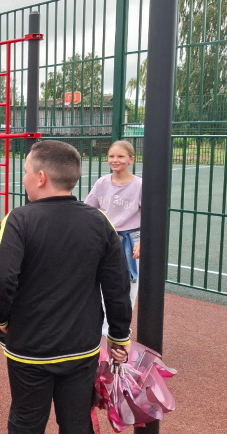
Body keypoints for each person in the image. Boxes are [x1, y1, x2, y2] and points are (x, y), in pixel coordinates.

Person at [0, 140, 132, 434]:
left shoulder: (19, 219)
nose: (24, 178)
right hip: (82, 346)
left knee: (26, 421)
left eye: (26, 171)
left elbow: (1, 278)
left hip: (30, 345)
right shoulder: (99, 221)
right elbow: (117, 283)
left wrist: (2, 321)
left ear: (40, 177)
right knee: (77, 422)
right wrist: (119, 336)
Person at [83, 140, 141, 334]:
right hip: (107, 238)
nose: (115, 160)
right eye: (111, 156)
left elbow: (151, 216)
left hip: (130, 240)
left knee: (128, 287)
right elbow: (89, 209)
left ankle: (120, 330)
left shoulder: (139, 185)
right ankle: (101, 330)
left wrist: (144, 241)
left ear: (131, 159)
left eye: (120, 156)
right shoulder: (102, 183)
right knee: (102, 284)